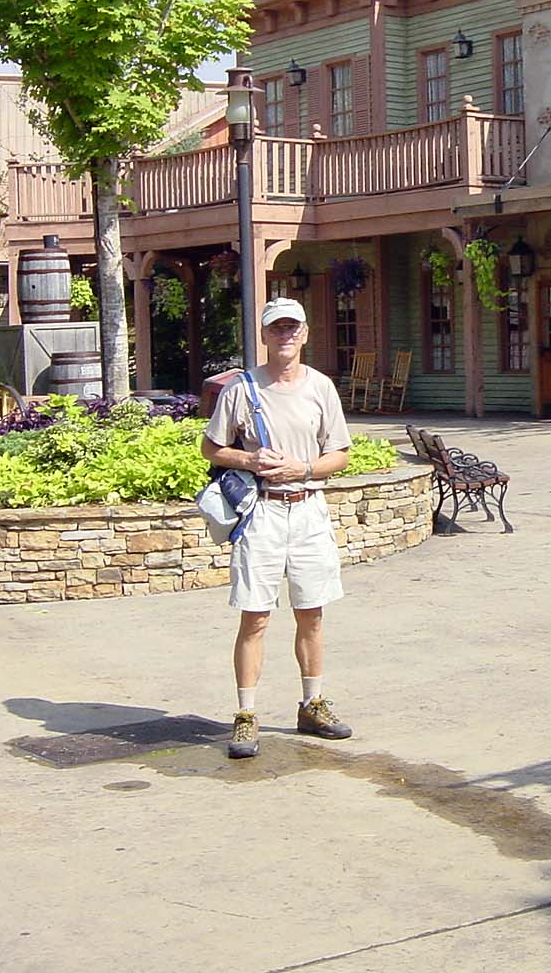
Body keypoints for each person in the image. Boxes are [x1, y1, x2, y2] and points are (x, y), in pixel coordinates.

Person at [202, 297, 353, 758]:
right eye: (277, 328)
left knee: (312, 612)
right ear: (264, 336)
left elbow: (340, 455)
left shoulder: (321, 388)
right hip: (261, 513)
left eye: (293, 328)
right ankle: (246, 715)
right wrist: (249, 459)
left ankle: (312, 704)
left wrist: (303, 470)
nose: (285, 335)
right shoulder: (241, 390)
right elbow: (211, 449)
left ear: (305, 334)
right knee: (256, 616)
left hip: (307, 509)